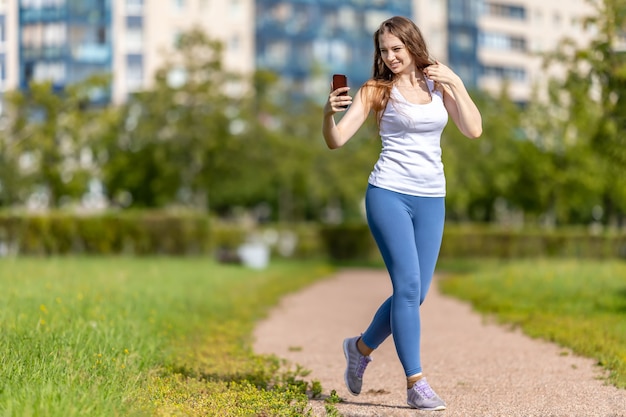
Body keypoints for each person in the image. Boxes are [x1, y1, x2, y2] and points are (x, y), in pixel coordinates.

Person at [322, 16, 482, 411]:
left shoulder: (437, 84)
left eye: (397, 48)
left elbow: (473, 129)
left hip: (432, 198)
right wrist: (327, 114)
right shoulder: (378, 90)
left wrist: (455, 82)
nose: (390, 57)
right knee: (408, 288)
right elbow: (337, 140)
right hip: (388, 193)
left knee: (416, 293)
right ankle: (416, 383)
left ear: (413, 45)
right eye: (383, 50)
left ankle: (358, 349)